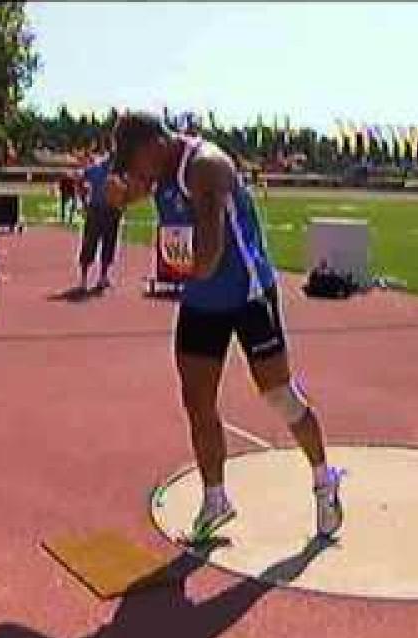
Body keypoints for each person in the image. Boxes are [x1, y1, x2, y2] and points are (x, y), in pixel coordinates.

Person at [105, 112, 343, 543]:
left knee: (278, 395)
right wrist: (120, 198)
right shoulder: (154, 167)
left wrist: (174, 269)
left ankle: (324, 481)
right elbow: (131, 193)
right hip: (201, 298)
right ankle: (216, 499)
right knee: (197, 401)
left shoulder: (206, 167)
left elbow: (210, 255)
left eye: (135, 161)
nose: (135, 171)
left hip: (246, 293)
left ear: (155, 145)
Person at [76, 150, 123, 292]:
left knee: (109, 244)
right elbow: (80, 179)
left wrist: (122, 203)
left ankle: (103, 277)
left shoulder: (119, 173)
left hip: (112, 211)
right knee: (89, 243)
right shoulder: (96, 169)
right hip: (96, 210)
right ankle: (84, 279)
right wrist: (84, 201)